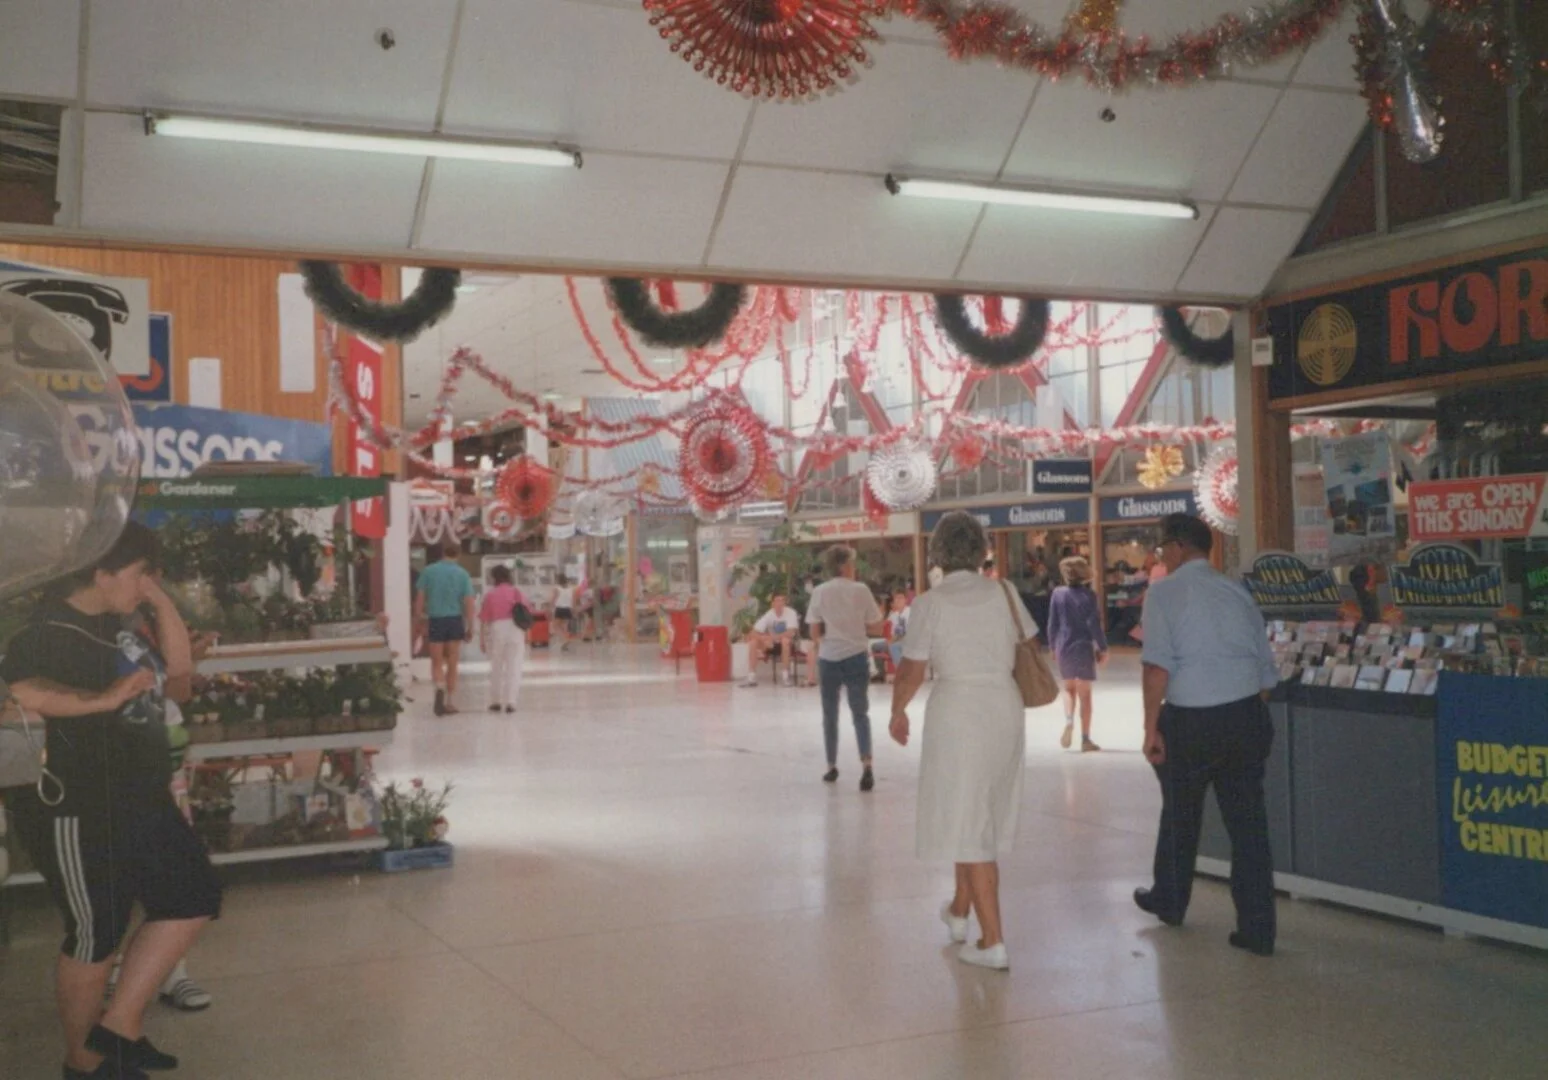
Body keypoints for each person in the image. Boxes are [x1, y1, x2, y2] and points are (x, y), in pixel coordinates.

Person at [1, 522, 222, 1079]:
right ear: (100, 573)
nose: (147, 583)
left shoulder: (117, 622)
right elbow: (18, 697)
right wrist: (101, 701)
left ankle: (119, 1026)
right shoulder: (46, 632)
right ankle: (85, 1063)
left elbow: (178, 677)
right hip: (74, 802)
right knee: (96, 927)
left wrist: (157, 598)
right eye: (140, 572)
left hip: (137, 793)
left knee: (191, 892)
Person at [888, 511, 1036, 972]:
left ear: (937, 552)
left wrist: (897, 711)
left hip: (958, 710)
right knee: (976, 810)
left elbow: (912, 668)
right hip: (1004, 707)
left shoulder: (931, 602)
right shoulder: (1005, 592)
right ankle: (958, 912)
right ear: (982, 550)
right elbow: (1027, 642)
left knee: (968, 817)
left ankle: (993, 941)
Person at [1134, 514, 1281, 958]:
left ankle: (1170, 900)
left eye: (1162, 549)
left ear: (1177, 547)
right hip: (1245, 717)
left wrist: (1150, 729)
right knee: (1249, 826)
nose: (1162, 557)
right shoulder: (1237, 592)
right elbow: (1265, 676)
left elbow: (1157, 668)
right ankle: (1258, 930)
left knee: (1180, 816)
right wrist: (1243, 714)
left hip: (1192, 722)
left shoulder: (1163, 594)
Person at [805, 545, 885, 792]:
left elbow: (814, 631)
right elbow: (877, 627)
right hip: (856, 657)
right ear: (844, 565)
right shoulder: (861, 590)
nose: (854, 568)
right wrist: (857, 630)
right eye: (852, 563)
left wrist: (828, 640)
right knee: (860, 713)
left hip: (829, 659)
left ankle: (831, 766)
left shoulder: (820, 592)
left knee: (830, 715)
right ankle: (867, 766)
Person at [1046, 556, 1108, 753]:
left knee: (1068, 688)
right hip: (1082, 646)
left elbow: (1052, 623)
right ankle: (1085, 739)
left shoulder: (1057, 593)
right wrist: (1103, 647)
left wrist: (1052, 646)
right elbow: (1093, 624)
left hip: (1063, 645)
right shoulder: (1089, 595)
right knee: (1086, 694)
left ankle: (1069, 720)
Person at [414, 543, 475, 716]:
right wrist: (471, 626)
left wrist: (418, 620)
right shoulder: (462, 574)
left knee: (436, 661)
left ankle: (439, 687)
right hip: (455, 620)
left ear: (442, 553)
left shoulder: (429, 571)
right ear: (459, 555)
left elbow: (420, 598)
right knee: (453, 662)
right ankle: (449, 701)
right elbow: (469, 602)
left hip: (436, 619)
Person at [478, 565, 528, 714]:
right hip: (515, 629)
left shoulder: (490, 595)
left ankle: (495, 701)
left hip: (497, 628)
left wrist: (482, 639)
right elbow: (527, 611)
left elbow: (484, 619)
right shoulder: (516, 592)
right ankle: (511, 702)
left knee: (496, 665)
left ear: (494, 578)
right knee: (514, 666)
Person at [743, 594, 802, 687]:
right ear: (773, 603)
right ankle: (751, 677)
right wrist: (763, 638)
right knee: (753, 642)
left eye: (782, 600)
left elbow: (790, 632)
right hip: (771, 644)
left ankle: (786, 676)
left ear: (785, 603)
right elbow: (753, 632)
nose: (780, 603)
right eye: (777, 600)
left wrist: (772, 638)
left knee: (785, 641)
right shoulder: (769, 614)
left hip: (787, 644)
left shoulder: (791, 613)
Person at [869, 592, 909, 681]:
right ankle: (880, 674)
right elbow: (883, 628)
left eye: (901, 598)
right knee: (875, 646)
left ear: (906, 600)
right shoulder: (893, 615)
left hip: (908, 641)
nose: (898, 600)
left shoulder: (910, 612)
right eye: (896, 599)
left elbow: (903, 632)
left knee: (893, 646)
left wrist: (891, 641)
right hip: (895, 640)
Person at [551, 576, 577, 652]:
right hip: (568, 609)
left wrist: (550, 607)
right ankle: (565, 641)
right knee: (563, 626)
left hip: (559, 609)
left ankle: (566, 638)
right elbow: (574, 600)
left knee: (555, 626)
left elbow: (553, 599)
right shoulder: (572, 589)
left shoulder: (557, 588)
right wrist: (573, 610)